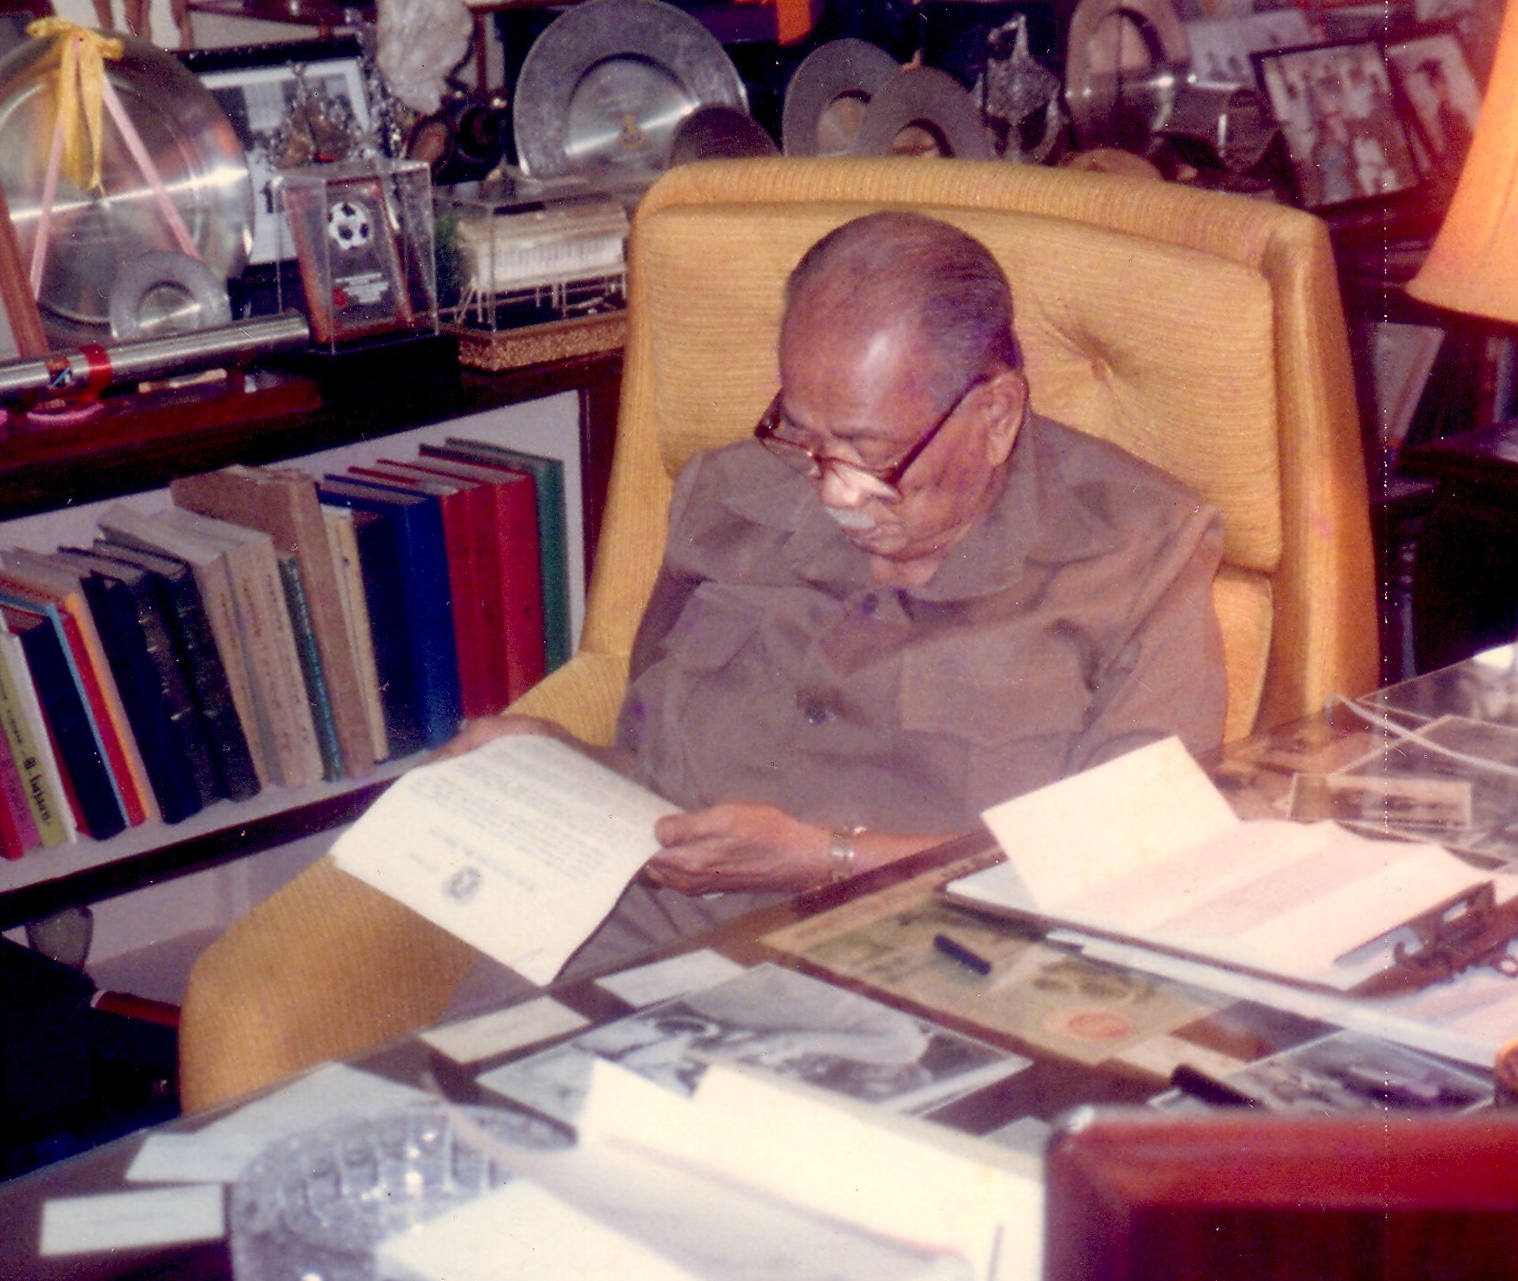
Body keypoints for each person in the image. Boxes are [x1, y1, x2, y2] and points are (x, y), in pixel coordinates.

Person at [450, 209, 1226, 977]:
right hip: (645, 932)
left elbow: (1144, 858)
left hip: (928, 956)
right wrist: (561, 766)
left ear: (994, 414)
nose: (834, 491)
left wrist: (830, 859)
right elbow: (654, 759)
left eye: (869, 448)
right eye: (804, 434)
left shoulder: (1141, 554)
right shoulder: (725, 495)